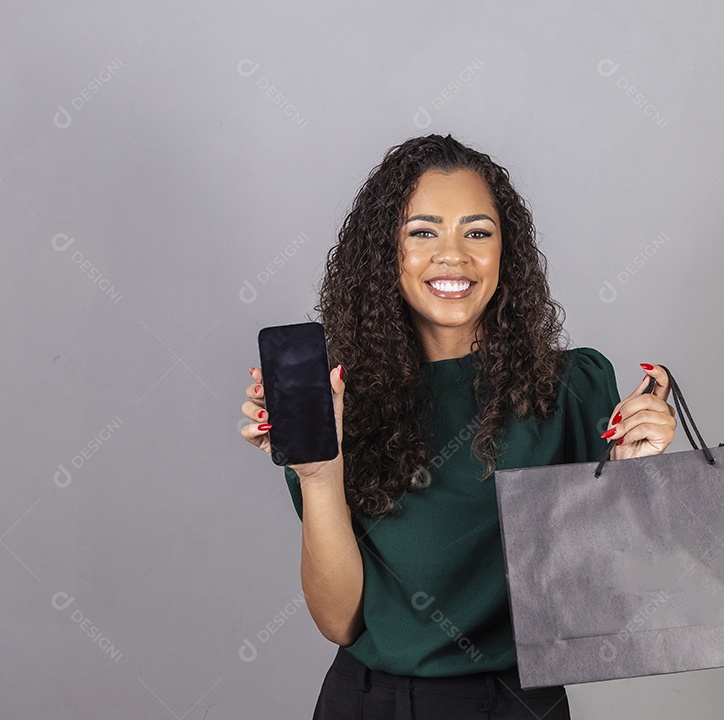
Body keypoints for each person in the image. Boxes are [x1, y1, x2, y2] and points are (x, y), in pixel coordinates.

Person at [240, 133, 677, 719]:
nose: (454, 256)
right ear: (384, 252)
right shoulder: (336, 401)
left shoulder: (574, 388)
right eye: (422, 232)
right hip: (377, 703)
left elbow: (603, 599)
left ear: (506, 251)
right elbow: (339, 621)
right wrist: (321, 474)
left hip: (525, 704)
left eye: (477, 232)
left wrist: (632, 479)